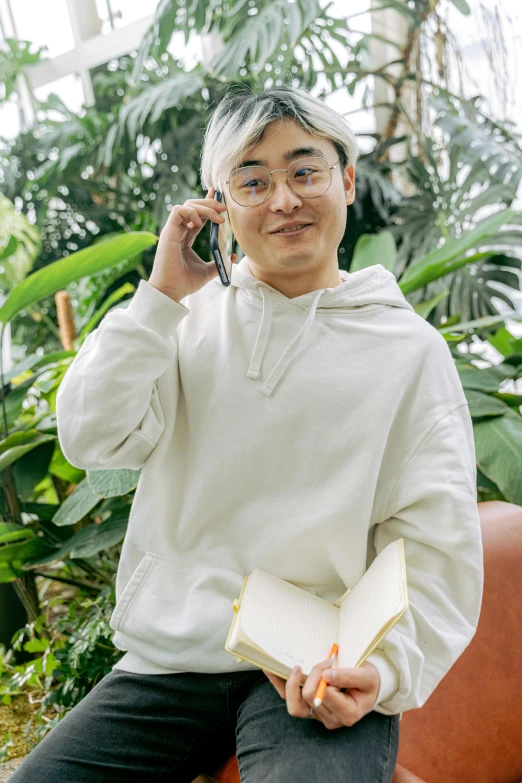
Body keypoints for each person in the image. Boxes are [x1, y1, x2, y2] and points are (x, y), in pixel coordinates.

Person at [11, 83, 483, 783]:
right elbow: (91, 437)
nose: (284, 200)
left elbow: (437, 548)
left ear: (346, 180)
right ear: (218, 204)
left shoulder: (409, 351)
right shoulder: (180, 325)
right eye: (253, 181)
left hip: (316, 664)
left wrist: (377, 670)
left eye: (305, 171)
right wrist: (159, 299)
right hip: (172, 661)